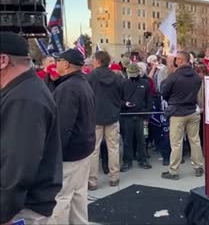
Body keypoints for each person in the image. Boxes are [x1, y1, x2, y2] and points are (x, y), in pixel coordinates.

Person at [0, 32, 62, 225]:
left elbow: (18, 163)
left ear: (3, 60)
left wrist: (3, 212)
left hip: (22, 208)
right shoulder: (22, 89)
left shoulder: (24, 98)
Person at [49, 49, 96, 224]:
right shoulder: (82, 83)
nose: (56, 63)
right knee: (78, 194)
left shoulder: (67, 88)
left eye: (58, 60)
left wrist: (54, 154)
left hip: (70, 153)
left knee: (61, 198)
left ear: (66, 64)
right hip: (84, 148)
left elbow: (61, 125)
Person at [161, 51, 204, 180]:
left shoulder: (174, 76)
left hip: (177, 112)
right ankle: (198, 166)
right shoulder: (196, 77)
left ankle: (174, 171)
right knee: (195, 140)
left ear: (180, 60)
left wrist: (172, 99)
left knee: (176, 143)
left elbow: (164, 92)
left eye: (176, 59)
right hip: (192, 110)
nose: (175, 61)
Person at [87, 51, 124, 190]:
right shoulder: (117, 77)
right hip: (112, 116)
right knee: (113, 148)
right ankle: (114, 177)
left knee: (94, 150)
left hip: (95, 116)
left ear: (97, 61)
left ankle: (92, 181)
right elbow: (122, 94)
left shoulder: (90, 77)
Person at [120, 63, 153, 172]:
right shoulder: (123, 83)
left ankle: (142, 159)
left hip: (141, 115)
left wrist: (147, 117)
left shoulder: (145, 83)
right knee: (127, 140)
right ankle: (127, 161)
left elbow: (149, 101)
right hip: (126, 116)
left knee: (142, 139)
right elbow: (118, 100)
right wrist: (125, 104)